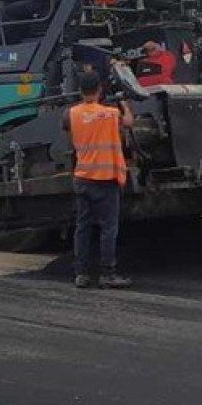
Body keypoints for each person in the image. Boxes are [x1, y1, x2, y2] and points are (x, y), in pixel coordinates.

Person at [64, 69, 134, 289]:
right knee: (107, 228)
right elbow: (129, 122)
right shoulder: (111, 114)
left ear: (80, 90)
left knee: (83, 227)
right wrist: (124, 103)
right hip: (105, 179)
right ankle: (107, 273)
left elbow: (67, 129)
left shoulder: (71, 114)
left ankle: (81, 274)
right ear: (100, 90)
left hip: (83, 178)